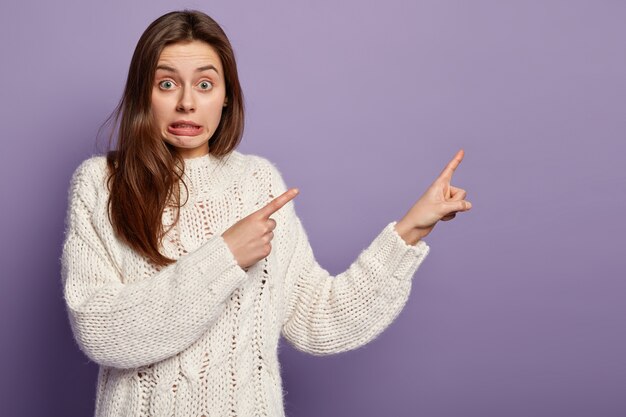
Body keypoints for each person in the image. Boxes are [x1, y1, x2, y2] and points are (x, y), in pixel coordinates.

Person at [60, 9, 472, 417]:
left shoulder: (257, 182)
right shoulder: (102, 183)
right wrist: (225, 257)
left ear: (226, 98)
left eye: (205, 84)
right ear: (141, 94)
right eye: (166, 84)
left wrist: (411, 229)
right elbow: (101, 332)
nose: (186, 102)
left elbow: (318, 318)